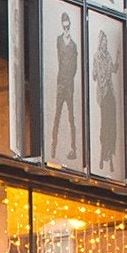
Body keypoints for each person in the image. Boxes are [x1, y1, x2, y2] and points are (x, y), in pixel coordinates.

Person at [49, 11, 79, 162]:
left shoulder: (73, 45)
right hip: (62, 84)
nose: (66, 27)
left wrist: (68, 79)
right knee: (57, 116)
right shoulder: (60, 40)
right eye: (64, 24)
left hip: (69, 85)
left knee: (71, 117)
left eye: (67, 24)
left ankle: (74, 147)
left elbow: (74, 67)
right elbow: (61, 56)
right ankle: (53, 146)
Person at [93, 29, 118, 174]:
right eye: (104, 42)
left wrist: (119, 56)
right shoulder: (97, 56)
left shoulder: (108, 56)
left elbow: (114, 69)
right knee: (104, 123)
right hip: (103, 94)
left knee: (111, 124)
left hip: (111, 94)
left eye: (106, 42)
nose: (105, 44)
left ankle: (110, 153)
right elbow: (95, 75)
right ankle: (103, 154)